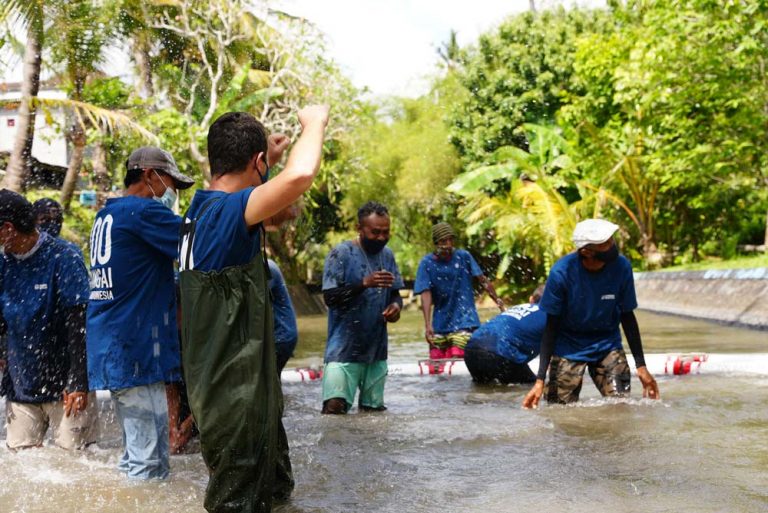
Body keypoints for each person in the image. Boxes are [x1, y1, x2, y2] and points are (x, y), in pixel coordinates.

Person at [178, 105, 329, 512]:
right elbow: (299, 178)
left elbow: (269, 205)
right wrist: (314, 123)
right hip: (235, 400)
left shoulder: (201, 211)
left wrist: (266, 160)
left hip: (235, 392)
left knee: (276, 497)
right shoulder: (229, 213)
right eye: (263, 164)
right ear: (257, 162)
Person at [86, 147, 195, 479]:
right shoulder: (142, 212)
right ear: (149, 175)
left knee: (144, 455)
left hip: (116, 346)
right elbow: (200, 242)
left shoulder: (109, 213)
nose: (170, 194)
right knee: (148, 461)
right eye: (169, 185)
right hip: (133, 350)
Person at [522, 219, 661, 409]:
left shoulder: (621, 267)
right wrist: (539, 379)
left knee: (620, 406)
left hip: (607, 344)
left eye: (612, 240)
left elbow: (627, 316)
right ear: (586, 251)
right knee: (559, 412)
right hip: (568, 347)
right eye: (605, 244)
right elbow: (551, 326)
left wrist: (641, 366)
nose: (612, 246)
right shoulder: (561, 272)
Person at [0, 189, 97, 450]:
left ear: (7, 229)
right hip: (21, 387)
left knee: (74, 466)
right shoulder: (3, 263)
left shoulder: (63, 256)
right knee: (24, 470)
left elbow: (79, 323)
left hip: (67, 387)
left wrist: (79, 381)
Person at [321, 201, 404, 415]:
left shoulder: (388, 255)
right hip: (343, 350)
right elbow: (330, 298)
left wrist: (395, 306)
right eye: (375, 232)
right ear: (359, 228)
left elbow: (395, 293)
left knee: (373, 415)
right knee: (334, 410)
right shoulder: (340, 254)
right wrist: (363, 284)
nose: (381, 237)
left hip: (376, 350)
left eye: (386, 232)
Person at [414, 222, 504, 360]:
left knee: (458, 358)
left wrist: (498, 302)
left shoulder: (463, 257)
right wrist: (427, 325)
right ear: (436, 243)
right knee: (436, 366)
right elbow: (426, 294)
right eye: (444, 241)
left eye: (451, 240)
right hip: (439, 325)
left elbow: (482, 280)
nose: (448, 244)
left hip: (465, 322)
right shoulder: (427, 263)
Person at [464, 285, 546, 384]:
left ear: (531, 299)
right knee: (531, 389)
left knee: (482, 390)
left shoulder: (518, 307)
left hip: (471, 349)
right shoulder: (550, 315)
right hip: (499, 353)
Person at [269, 259, 299, 374]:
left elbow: (255, 300)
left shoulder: (267, 268)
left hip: (281, 336)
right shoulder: (267, 265)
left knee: (270, 379)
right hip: (282, 335)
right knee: (272, 379)